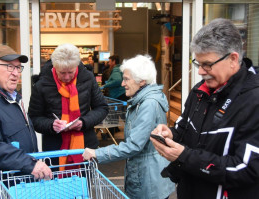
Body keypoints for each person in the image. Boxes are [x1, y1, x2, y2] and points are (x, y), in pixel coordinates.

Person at [150, 18, 259, 199]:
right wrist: (170, 135)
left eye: (207, 64)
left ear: (233, 59)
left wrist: (184, 157)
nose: (200, 71)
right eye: (198, 63)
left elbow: (246, 169)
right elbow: (183, 129)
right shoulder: (200, 91)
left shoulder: (254, 100)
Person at [83, 54, 175, 199]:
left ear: (142, 81)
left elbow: (134, 145)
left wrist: (97, 154)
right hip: (145, 178)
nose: (122, 84)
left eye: (126, 79)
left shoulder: (148, 104)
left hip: (149, 182)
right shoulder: (141, 101)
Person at [0, 45, 52, 199]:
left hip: (20, 185)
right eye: (9, 67)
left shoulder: (13, 97)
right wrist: (30, 164)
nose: (15, 73)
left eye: (18, 68)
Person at [28, 43, 108, 169]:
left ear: (76, 66)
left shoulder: (87, 78)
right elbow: (34, 118)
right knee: (57, 187)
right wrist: (51, 125)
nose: (66, 77)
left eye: (70, 72)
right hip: (55, 149)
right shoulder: (42, 84)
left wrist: (84, 121)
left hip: (85, 147)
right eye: (62, 73)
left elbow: (102, 108)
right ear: (54, 67)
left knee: (83, 185)